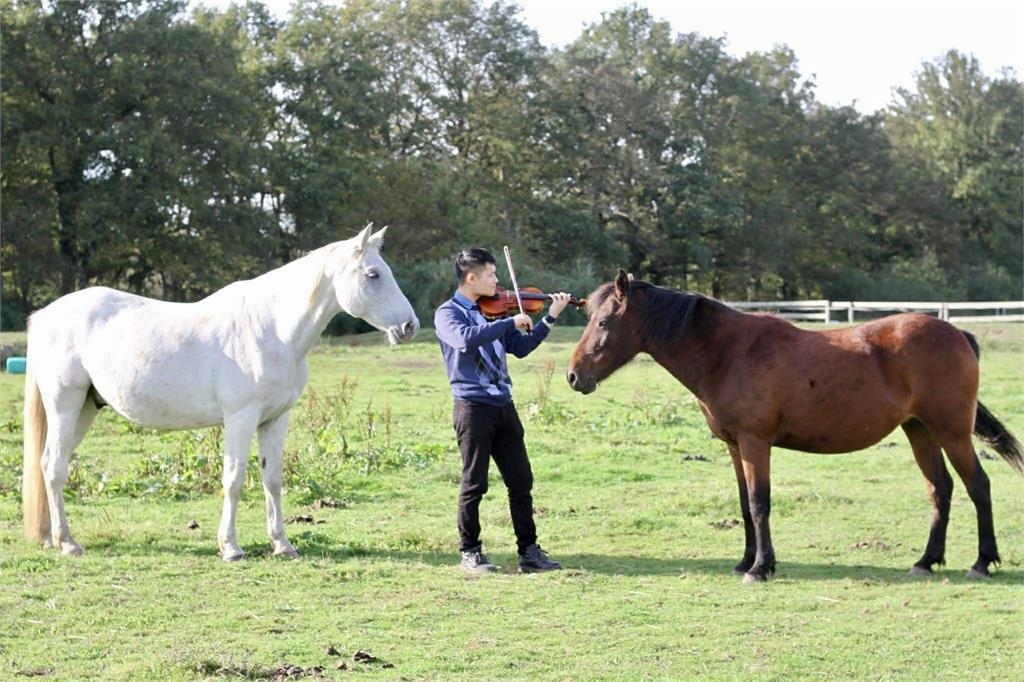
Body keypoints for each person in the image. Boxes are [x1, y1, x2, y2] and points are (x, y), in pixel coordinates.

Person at [434, 247, 573, 573]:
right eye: (491, 275)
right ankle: (470, 553)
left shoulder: (494, 313)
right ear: (472, 278)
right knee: (475, 483)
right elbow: (464, 340)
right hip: (472, 408)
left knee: (521, 481)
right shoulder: (447, 313)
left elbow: (521, 347)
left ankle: (529, 553)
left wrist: (550, 317)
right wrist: (510, 320)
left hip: (503, 406)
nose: (497, 281)